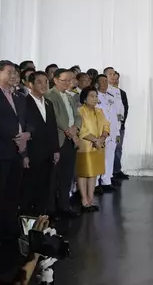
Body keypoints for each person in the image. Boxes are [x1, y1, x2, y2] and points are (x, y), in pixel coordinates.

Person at [0, 60, 30, 245]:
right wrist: (16, 136)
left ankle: (10, 230)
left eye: (15, 72)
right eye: (9, 72)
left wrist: (27, 134)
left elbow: (27, 120)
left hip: (17, 153)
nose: (13, 75)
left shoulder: (19, 96)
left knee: (12, 194)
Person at [21, 72, 60, 216]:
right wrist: (24, 154)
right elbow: (22, 129)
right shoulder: (24, 102)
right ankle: (27, 224)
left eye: (46, 82)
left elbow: (52, 127)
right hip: (32, 154)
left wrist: (56, 149)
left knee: (45, 188)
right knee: (29, 190)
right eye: (39, 82)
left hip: (48, 154)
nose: (44, 85)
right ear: (30, 85)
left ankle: (41, 221)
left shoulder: (48, 103)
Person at [45, 68, 82, 218]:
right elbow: (56, 117)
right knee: (54, 176)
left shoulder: (70, 96)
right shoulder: (50, 96)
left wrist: (76, 128)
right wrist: (69, 131)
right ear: (55, 80)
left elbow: (78, 116)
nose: (68, 83)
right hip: (59, 139)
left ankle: (65, 206)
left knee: (67, 175)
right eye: (64, 80)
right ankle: (51, 209)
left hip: (71, 140)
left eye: (70, 80)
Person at [76, 87, 110, 211]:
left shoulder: (100, 111)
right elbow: (82, 129)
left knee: (93, 173)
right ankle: (83, 199)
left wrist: (102, 138)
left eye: (96, 96)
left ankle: (91, 198)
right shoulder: (80, 111)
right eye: (92, 96)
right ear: (84, 98)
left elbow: (106, 125)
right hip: (85, 146)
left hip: (98, 146)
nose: (95, 99)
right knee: (83, 173)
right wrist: (95, 140)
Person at [95, 74, 120, 193]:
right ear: (97, 83)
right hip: (101, 132)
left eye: (106, 81)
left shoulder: (111, 96)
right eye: (102, 81)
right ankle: (95, 183)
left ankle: (106, 181)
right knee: (98, 157)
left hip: (112, 131)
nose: (105, 83)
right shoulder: (95, 96)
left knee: (109, 157)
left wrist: (117, 131)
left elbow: (115, 115)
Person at [111, 71, 129, 179]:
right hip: (109, 128)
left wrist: (121, 122)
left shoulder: (122, 93)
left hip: (119, 128)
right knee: (110, 149)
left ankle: (117, 170)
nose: (115, 81)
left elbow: (125, 109)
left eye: (117, 79)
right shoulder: (105, 93)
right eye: (113, 78)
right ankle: (108, 174)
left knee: (118, 148)